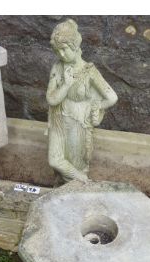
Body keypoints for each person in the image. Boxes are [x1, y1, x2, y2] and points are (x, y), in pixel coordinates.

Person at [46, 19, 118, 182]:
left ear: (74, 46)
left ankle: (73, 189)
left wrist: (95, 108)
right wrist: (67, 84)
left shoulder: (89, 71)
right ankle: (83, 182)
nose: (61, 55)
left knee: (75, 163)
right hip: (58, 121)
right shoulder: (57, 67)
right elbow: (51, 99)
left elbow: (112, 97)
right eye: (57, 51)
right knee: (55, 160)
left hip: (77, 124)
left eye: (64, 49)